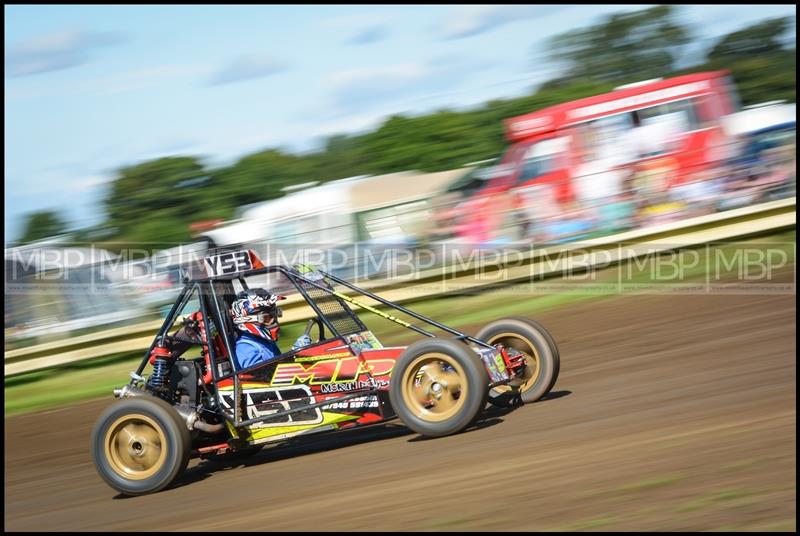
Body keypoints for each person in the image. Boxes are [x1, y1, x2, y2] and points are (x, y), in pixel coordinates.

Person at [230, 288, 311, 369]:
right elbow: (260, 377)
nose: (274, 322)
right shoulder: (246, 347)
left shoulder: (265, 341)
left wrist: (295, 354)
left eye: (274, 315)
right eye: (267, 318)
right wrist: (295, 354)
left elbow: (277, 365)